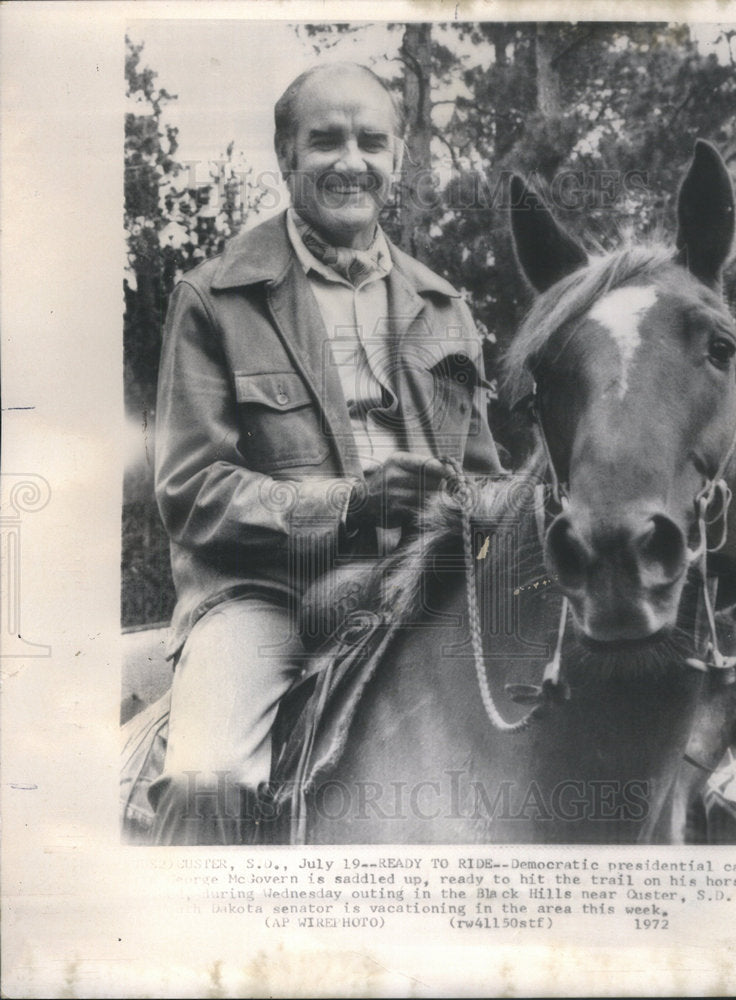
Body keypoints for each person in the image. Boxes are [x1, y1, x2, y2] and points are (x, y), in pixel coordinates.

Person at [149, 61, 502, 844]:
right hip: (265, 598)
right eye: (326, 141)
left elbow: (484, 477)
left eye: (372, 141)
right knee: (208, 780)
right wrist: (350, 505)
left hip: (427, 592)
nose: (351, 161)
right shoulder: (215, 297)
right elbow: (191, 488)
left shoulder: (447, 307)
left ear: (399, 159)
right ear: (286, 156)